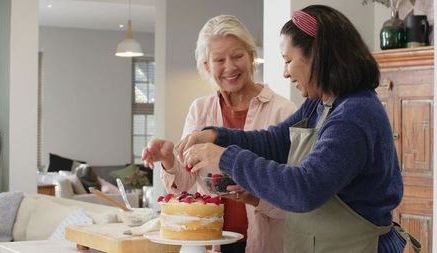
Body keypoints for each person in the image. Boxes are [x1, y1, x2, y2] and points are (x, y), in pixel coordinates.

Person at [176, 5, 417, 253]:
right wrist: (217, 135)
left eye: (288, 60)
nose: (285, 72)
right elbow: (276, 142)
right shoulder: (320, 104)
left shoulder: (354, 115)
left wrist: (224, 157)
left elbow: (304, 189)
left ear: (318, 56)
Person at [142, 15, 296, 253]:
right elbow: (185, 186)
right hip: (210, 245)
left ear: (252, 56)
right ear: (206, 66)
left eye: (237, 56)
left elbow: (295, 194)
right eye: (219, 60)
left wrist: (256, 196)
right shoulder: (200, 110)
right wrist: (169, 160)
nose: (230, 67)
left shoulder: (283, 111)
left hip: (266, 244)